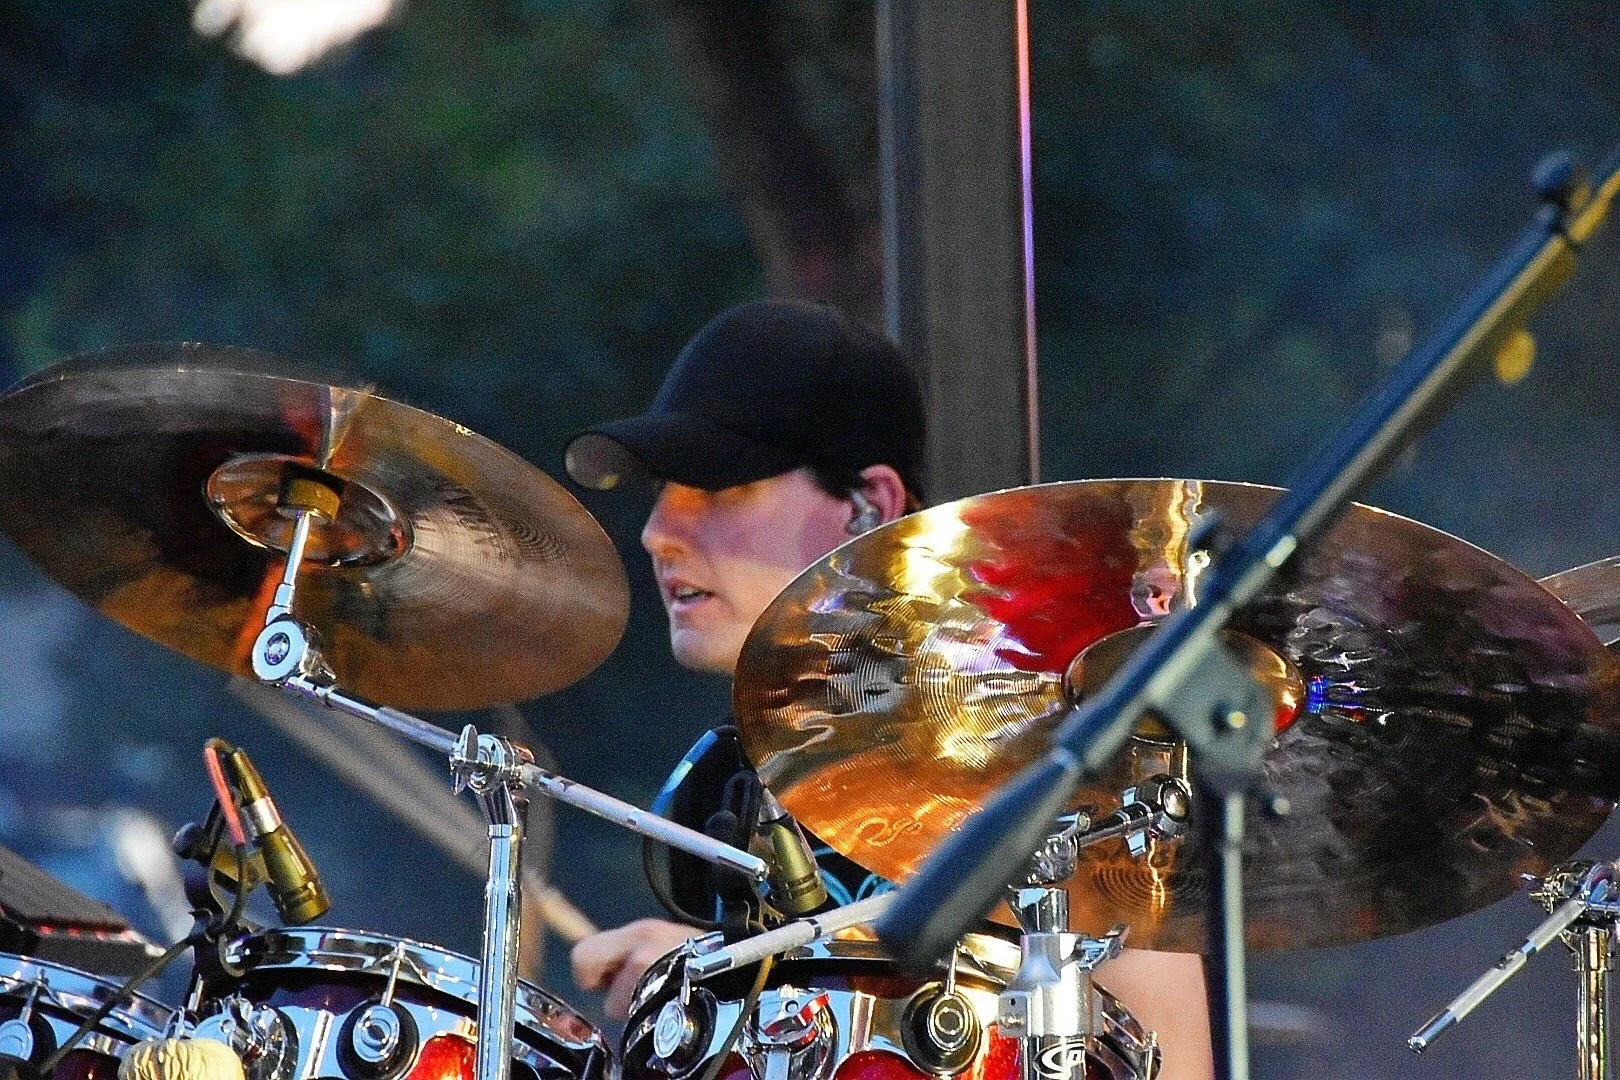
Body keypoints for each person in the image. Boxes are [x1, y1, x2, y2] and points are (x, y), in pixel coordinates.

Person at [563, 298, 1213, 1080]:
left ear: (870, 506)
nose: (658, 531)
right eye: (664, 491)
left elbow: (1173, 1063)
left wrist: (731, 987)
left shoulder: (1046, 753)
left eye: (718, 487)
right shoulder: (725, 800)